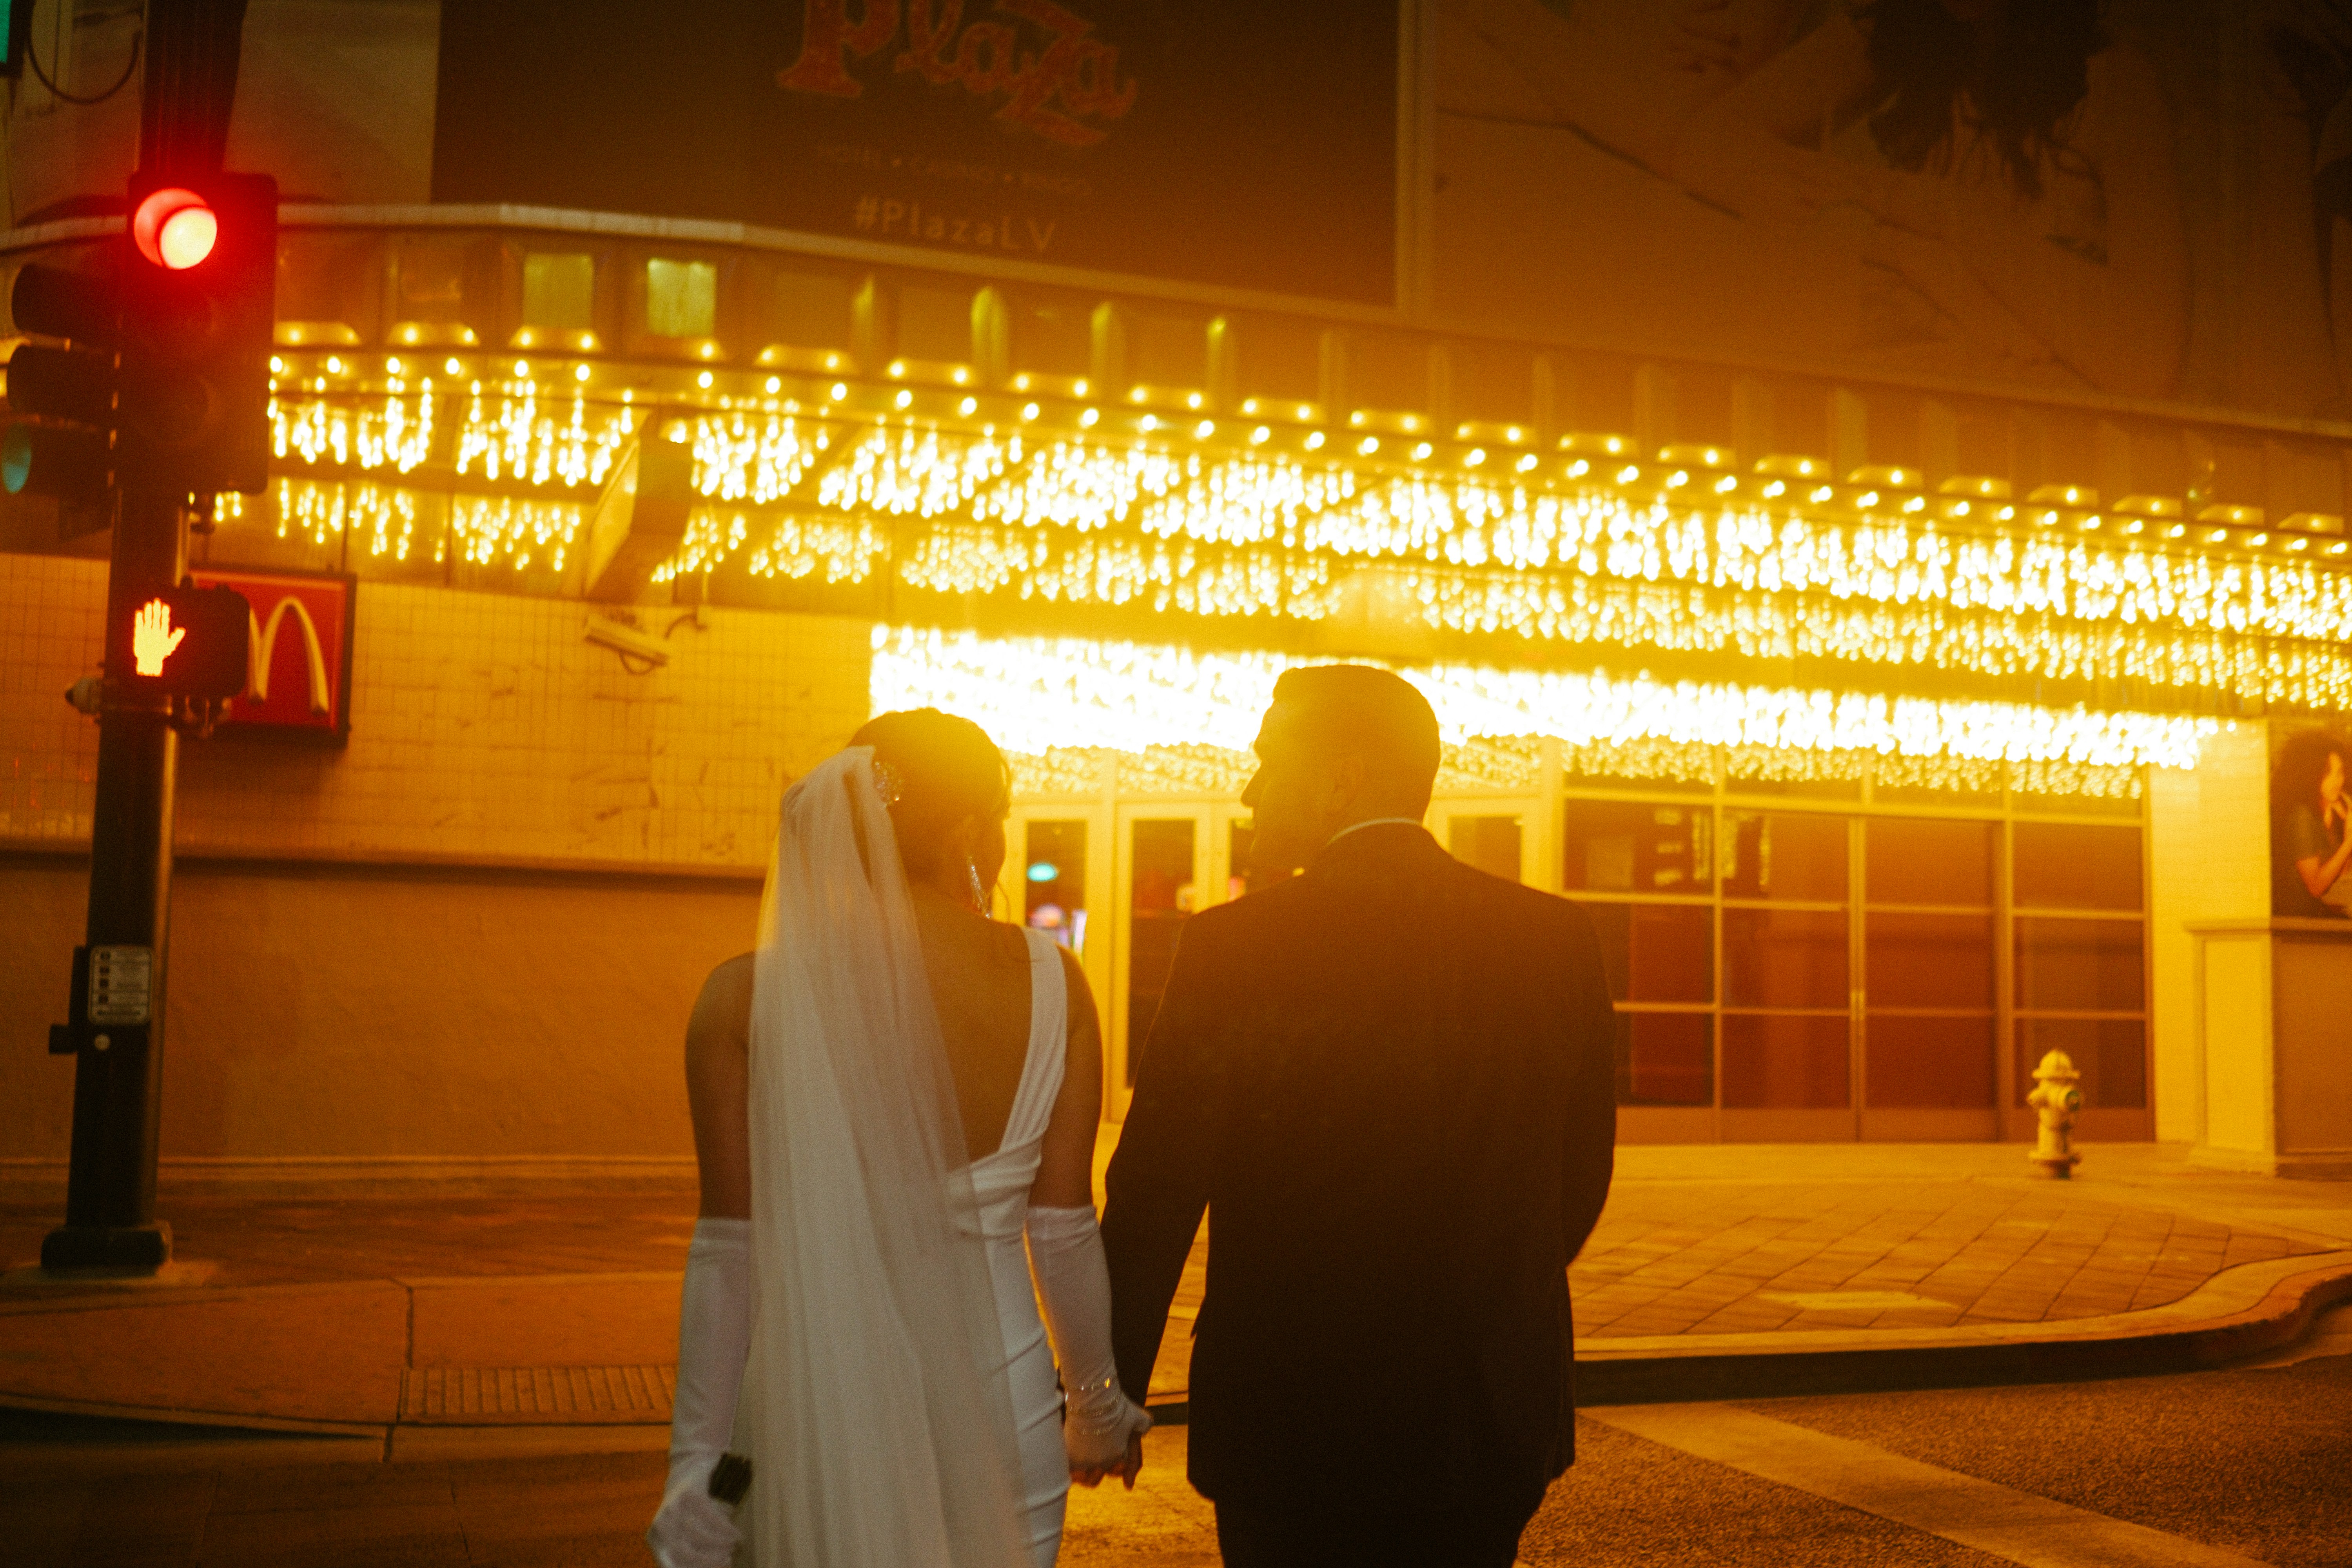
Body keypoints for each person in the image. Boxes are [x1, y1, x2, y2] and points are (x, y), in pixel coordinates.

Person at [1100, 665, 1619, 1568]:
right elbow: (1578, 1180)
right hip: (1487, 1409)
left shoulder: (1236, 948)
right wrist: (1487, 1295)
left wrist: (1105, 1389)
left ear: (1341, 777)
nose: (1249, 788)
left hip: (1290, 1410)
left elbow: (1154, 1191)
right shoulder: (1555, 941)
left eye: (1268, 762)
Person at [647, 709, 1151, 1568]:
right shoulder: (1052, 982)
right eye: (999, 819)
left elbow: (732, 1250)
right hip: (1007, 1402)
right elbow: (1063, 1228)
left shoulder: (741, 1000)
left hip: (820, 1404)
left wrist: (697, 1462)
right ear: (965, 830)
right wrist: (1098, 1411)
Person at [2272, 727, 2352, 917]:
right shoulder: (2303, 816)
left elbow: (2341, 878)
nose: (2337, 782)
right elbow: (2316, 887)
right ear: (2311, 774)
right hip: (2298, 923)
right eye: (2327, 774)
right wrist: (2348, 843)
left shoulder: (2335, 813)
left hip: (2325, 917)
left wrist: (2347, 829)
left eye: (2340, 773)